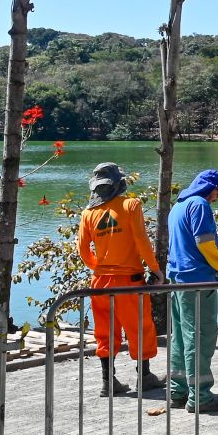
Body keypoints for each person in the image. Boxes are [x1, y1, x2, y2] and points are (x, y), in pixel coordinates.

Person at [78, 162, 164, 396]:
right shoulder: (131, 205)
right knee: (140, 329)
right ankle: (144, 377)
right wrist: (155, 269)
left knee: (105, 332)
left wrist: (100, 267)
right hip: (129, 281)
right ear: (119, 184)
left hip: (100, 283)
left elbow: (83, 250)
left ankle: (108, 381)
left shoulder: (88, 213)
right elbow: (142, 240)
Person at [165, 168, 218, 414]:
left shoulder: (178, 206)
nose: (217, 198)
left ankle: (177, 391)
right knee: (200, 337)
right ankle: (200, 397)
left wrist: (216, 240)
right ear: (212, 189)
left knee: (180, 336)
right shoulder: (200, 205)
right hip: (198, 282)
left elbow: (188, 242)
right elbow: (205, 243)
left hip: (177, 279)